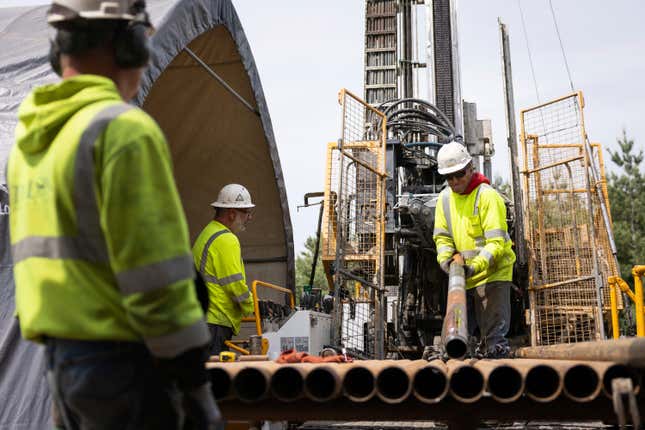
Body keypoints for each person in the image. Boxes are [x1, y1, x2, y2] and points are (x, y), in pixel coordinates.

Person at [6, 1, 220, 428]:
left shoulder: (30, 143)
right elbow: (158, 279)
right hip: (125, 366)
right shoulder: (122, 131)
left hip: (62, 368)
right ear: (130, 45)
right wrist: (195, 384)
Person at [433, 141, 516, 358]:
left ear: (470, 168)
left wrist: (473, 266)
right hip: (463, 277)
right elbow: (442, 237)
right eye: (448, 177)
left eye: (459, 174)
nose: (454, 181)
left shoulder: (487, 196)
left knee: (493, 341)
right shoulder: (443, 200)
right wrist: (446, 261)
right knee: (453, 342)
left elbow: (496, 243)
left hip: (493, 274)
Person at [193, 184, 255, 356]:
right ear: (232, 213)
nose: (249, 218)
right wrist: (252, 306)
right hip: (216, 322)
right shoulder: (227, 240)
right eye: (246, 213)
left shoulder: (207, 233)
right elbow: (235, 286)